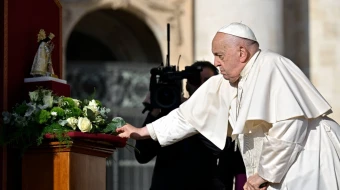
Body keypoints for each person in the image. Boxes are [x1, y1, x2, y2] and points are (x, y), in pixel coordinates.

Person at [117, 22, 340, 190]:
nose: (216, 62)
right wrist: (141, 132)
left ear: (242, 53)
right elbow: (186, 117)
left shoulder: (272, 65)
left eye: (220, 55)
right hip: (283, 167)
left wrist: (265, 174)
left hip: (310, 159)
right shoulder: (228, 82)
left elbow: (290, 124)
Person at [135, 61, 229, 190]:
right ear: (187, 84)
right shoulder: (170, 113)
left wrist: (189, 111)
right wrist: (155, 111)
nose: (202, 86)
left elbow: (220, 150)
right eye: (195, 80)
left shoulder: (221, 114)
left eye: (207, 82)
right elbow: (142, 155)